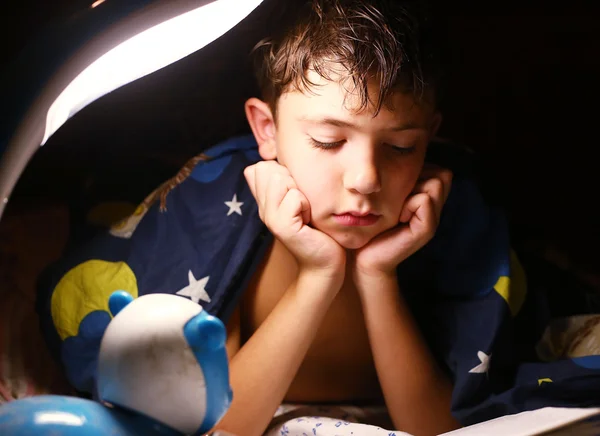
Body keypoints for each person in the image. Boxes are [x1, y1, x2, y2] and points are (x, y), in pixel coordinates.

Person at [36, 1, 600, 435]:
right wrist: (318, 275)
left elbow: (441, 429)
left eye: (401, 147)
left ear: (431, 138)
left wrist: (377, 277)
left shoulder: (450, 223)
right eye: (329, 141)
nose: (365, 179)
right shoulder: (221, 228)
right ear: (267, 131)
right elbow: (221, 423)